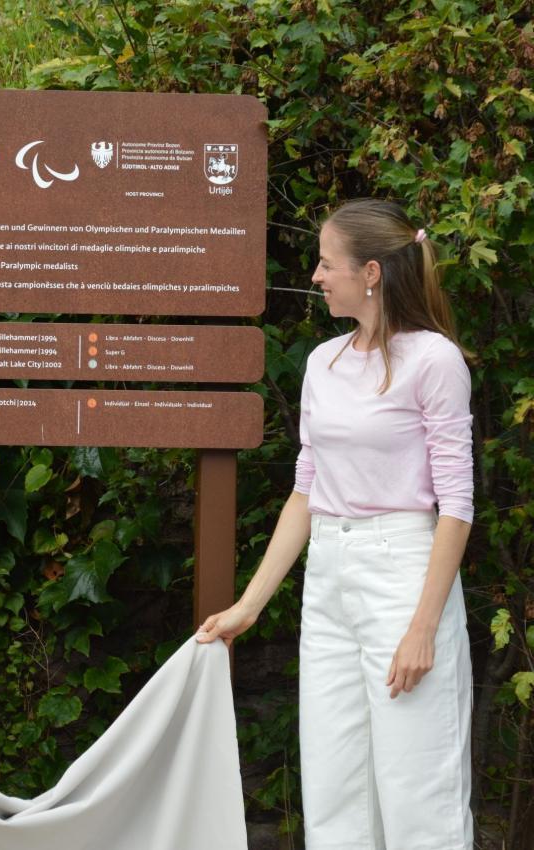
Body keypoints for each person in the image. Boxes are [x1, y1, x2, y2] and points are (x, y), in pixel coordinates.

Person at [196, 199, 474, 849]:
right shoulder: (321, 364)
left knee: (417, 793)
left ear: (370, 273)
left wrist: (422, 629)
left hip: (403, 579)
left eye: (326, 264)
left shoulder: (433, 361)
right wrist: (246, 607)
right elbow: (304, 493)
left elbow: (456, 504)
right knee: (333, 791)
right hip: (327, 584)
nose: (316, 276)